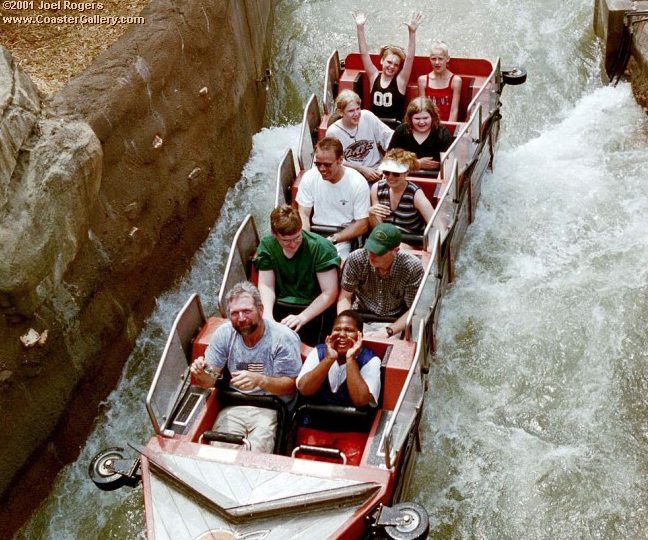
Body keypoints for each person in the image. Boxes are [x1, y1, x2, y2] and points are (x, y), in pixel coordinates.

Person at [190, 282, 302, 453]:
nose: (241, 318)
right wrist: (200, 373)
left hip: (272, 406)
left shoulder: (283, 338)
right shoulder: (224, 334)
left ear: (261, 310)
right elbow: (208, 381)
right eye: (235, 313)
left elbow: (290, 386)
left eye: (247, 311)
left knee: (255, 452)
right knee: (219, 451)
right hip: (235, 404)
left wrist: (260, 380)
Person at [254, 204, 340, 346]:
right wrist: (268, 315)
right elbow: (266, 285)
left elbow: (329, 292)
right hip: (280, 304)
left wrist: (302, 317)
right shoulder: (267, 246)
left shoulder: (320, 247)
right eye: (286, 241)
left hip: (313, 306)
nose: (293, 245)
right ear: (275, 235)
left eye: (297, 238)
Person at [337, 223, 423, 339]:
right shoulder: (356, 258)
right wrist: (345, 325)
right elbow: (345, 297)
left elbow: (414, 310)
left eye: (378, 252)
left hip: (395, 322)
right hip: (361, 315)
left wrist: (389, 330)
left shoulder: (411, 267)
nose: (371, 255)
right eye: (370, 249)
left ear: (395, 251)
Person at [295, 136, 370, 260]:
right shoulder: (309, 177)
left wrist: (332, 239)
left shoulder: (357, 182)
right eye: (318, 164)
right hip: (315, 233)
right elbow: (303, 214)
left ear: (340, 160)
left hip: (344, 237)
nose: (322, 169)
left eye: (327, 165)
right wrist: (306, 239)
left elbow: (362, 224)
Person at [297, 310, 381, 408]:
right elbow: (304, 390)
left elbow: (361, 400)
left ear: (360, 336)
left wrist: (351, 359)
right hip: (315, 417)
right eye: (337, 329)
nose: (342, 334)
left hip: (353, 421)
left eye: (349, 330)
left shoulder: (370, 360)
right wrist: (329, 359)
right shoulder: (318, 352)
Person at [351, 10, 423, 122]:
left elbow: (409, 58)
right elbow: (364, 54)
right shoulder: (373, 76)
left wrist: (412, 33)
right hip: (375, 127)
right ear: (381, 61)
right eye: (389, 62)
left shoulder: (401, 81)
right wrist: (360, 28)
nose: (392, 66)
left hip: (394, 129)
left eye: (396, 65)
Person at [326, 90, 394, 182]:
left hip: (379, 171)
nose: (357, 114)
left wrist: (385, 165)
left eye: (358, 109)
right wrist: (362, 169)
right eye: (351, 111)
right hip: (352, 177)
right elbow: (335, 161)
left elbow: (390, 138)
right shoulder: (333, 132)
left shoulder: (367, 116)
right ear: (340, 112)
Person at [369, 148, 434, 237]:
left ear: (406, 173)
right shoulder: (377, 188)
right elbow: (379, 230)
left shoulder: (415, 193)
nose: (390, 177)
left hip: (410, 240)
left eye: (396, 173)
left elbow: (435, 223)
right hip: (385, 240)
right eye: (386, 172)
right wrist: (371, 215)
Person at [388, 97, 453, 172]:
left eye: (425, 118)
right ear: (410, 118)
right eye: (417, 118)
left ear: (432, 117)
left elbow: (449, 165)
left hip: (434, 178)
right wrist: (417, 163)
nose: (421, 122)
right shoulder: (401, 131)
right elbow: (389, 161)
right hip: (404, 177)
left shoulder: (442, 133)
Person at [417, 41, 462, 122]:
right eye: (433, 59)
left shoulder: (455, 81)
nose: (437, 62)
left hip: (447, 127)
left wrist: (447, 131)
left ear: (447, 59)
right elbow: (423, 109)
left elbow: (454, 111)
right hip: (428, 125)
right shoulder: (422, 80)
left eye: (440, 59)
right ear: (429, 59)